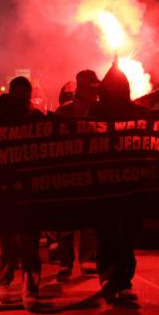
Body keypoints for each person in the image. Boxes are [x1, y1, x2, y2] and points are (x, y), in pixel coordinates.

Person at [87, 64, 147, 304]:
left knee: (123, 234)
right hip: (105, 185)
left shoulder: (135, 112)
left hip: (128, 184)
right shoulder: (95, 113)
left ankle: (118, 280)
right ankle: (113, 279)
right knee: (109, 233)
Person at [0, 76, 44, 311]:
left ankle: (28, 288)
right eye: (21, 96)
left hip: (27, 189)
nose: (24, 100)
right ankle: (6, 284)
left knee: (27, 242)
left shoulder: (36, 118)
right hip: (5, 189)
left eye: (25, 97)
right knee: (5, 242)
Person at [53, 70, 100, 282]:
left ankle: (72, 262)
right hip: (71, 171)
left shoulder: (97, 110)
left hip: (83, 170)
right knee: (68, 219)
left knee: (81, 217)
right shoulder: (65, 112)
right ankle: (71, 261)